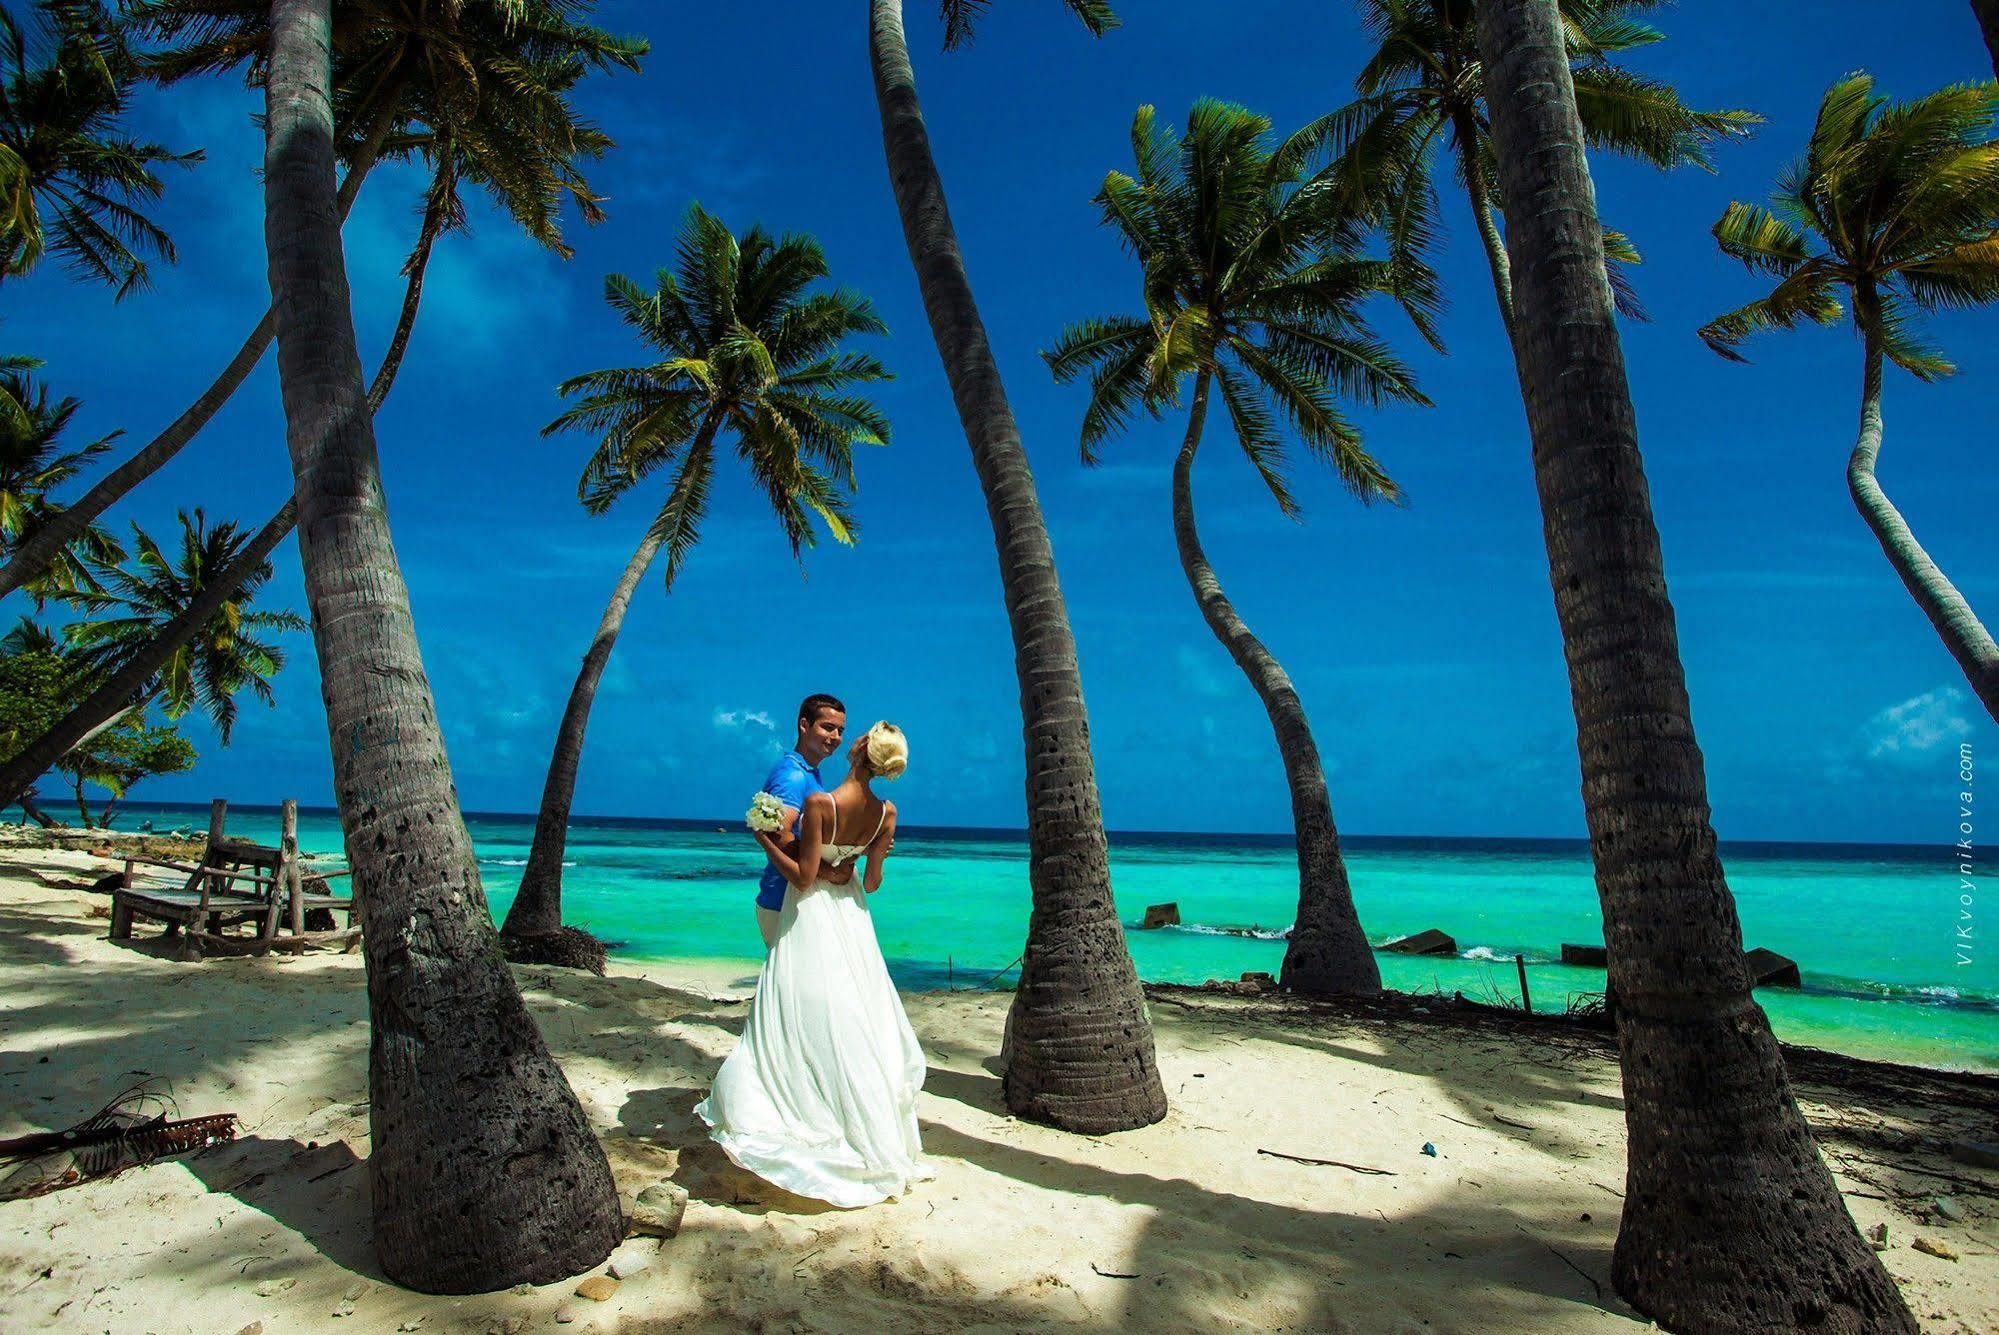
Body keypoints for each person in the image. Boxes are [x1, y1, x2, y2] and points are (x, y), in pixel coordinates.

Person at [694, 722, 927, 1208]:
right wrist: (854, 862)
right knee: (854, 1011)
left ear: (860, 749)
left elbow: (802, 877)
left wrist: (766, 842)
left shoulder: (822, 804)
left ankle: (806, 1109)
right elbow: (875, 879)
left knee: (791, 1015)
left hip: (814, 914)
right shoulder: (887, 812)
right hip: (854, 914)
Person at [754, 694, 846, 949]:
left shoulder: (808, 772)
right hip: (781, 900)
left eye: (840, 730)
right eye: (828, 727)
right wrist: (829, 872)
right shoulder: (793, 777)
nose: (836, 737)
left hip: (792, 899)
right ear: (804, 726)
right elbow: (781, 837)